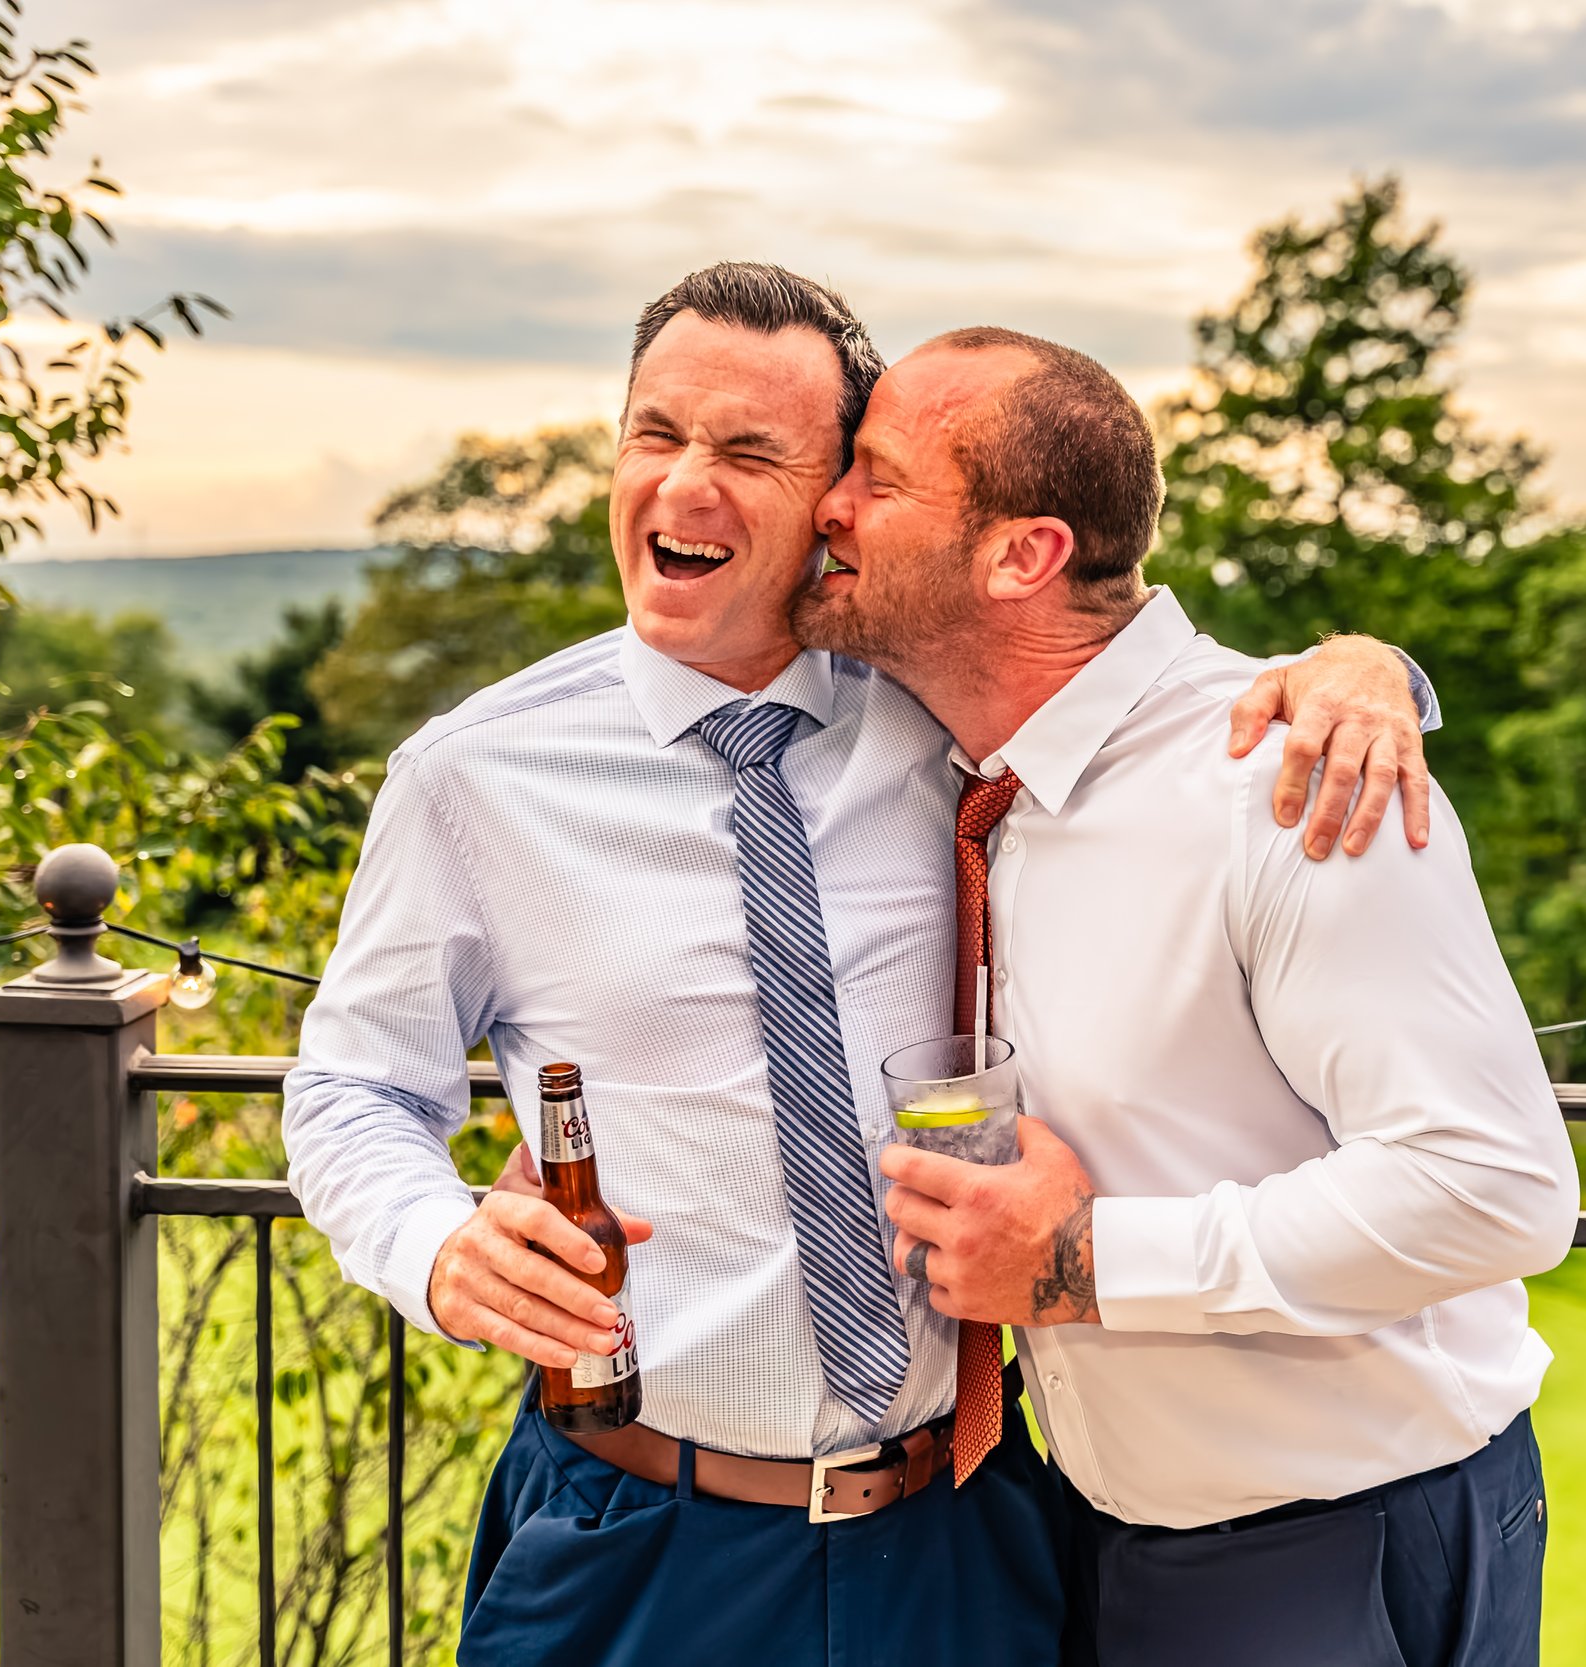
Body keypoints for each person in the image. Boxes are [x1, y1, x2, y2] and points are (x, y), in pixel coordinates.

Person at [282, 264, 1439, 1666]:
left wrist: (1366, 669)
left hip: (961, 1536)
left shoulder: (945, 714)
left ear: (838, 500)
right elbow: (352, 1089)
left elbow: (1144, 686)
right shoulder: (471, 777)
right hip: (636, 1542)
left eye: (750, 452)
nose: (685, 485)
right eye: (656, 434)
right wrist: (431, 1245)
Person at [795, 326, 1581, 1667]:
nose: (830, 504)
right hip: (1082, 1535)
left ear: (1022, 556)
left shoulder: (1291, 788)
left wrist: (1088, 1262)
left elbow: (1490, 1190)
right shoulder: (956, 764)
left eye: (878, 475)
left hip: (1333, 1545)